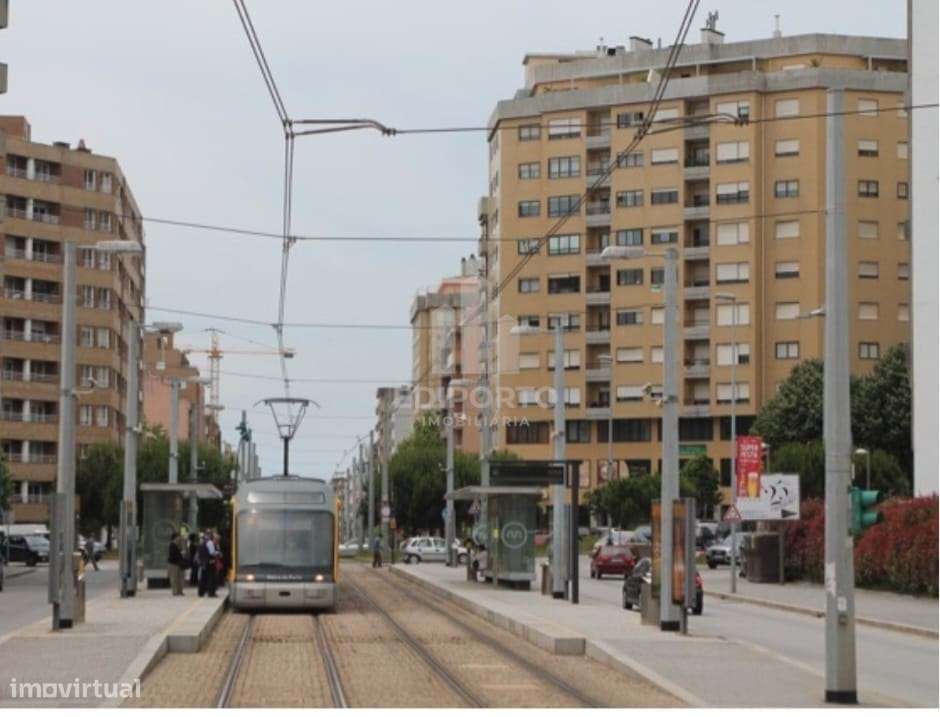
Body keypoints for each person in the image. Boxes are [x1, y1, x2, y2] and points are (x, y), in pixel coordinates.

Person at [167, 532, 185, 596]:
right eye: (178, 537)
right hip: (173, 564)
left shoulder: (178, 544)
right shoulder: (172, 545)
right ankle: (175, 591)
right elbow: (173, 555)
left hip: (178, 563)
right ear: (175, 537)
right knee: (174, 578)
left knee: (180, 578)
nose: (180, 538)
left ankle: (180, 591)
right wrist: (180, 553)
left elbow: (182, 550)